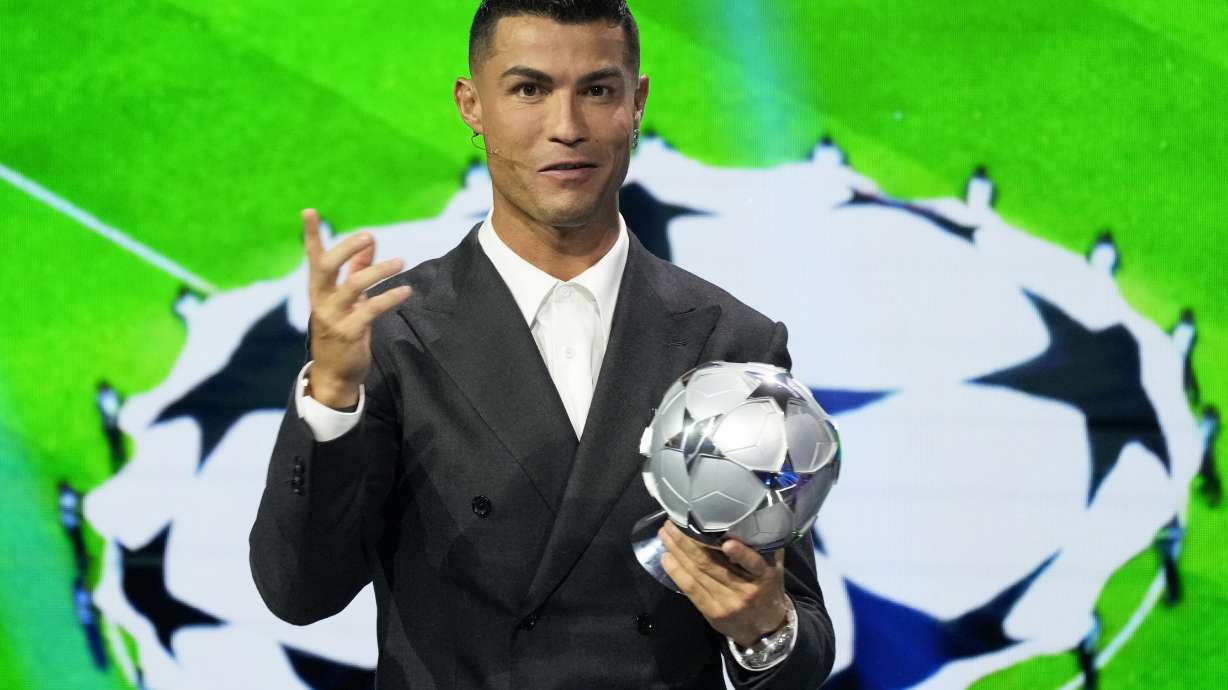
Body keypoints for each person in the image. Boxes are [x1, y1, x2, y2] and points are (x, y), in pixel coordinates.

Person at [248, 1, 835, 687]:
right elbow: (299, 594)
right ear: (472, 105)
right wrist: (332, 398)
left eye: (598, 90)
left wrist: (764, 627)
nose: (567, 128)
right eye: (529, 90)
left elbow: (801, 640)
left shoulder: (732, 340)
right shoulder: (392, 336)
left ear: (637, 101)